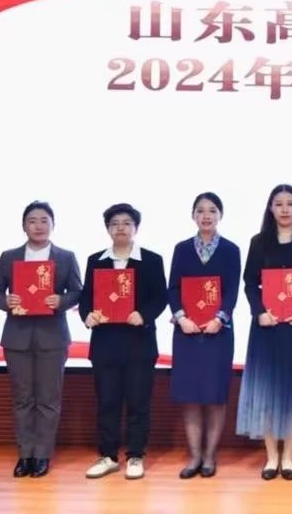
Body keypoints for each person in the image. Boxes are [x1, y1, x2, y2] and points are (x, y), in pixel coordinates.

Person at [0, 201, 83, 479]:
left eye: (44, 220)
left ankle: (42, 455)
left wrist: (60, 300)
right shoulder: (9, 257)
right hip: (17, 338)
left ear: (53, 225)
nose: (38, 226)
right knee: (23, 399)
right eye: (32, 220)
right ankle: (25, 454)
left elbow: (78, 291)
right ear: (24, 226)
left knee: (48, 399)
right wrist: (6, 301)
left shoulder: (66, 257)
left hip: (53, 337)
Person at [236, 184, 292, 480]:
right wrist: (259, 312)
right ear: (270, 208)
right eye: (279, 204)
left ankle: (288, 457)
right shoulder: (259, 242)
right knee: (267, 389)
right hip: (267, 326)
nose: (285, 209)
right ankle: (271, 456)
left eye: (290, 203)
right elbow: (250, 283)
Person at [78, 203, 168, 480]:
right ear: (108, 228)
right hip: (105, 343)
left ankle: (136, 455)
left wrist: (144, 314)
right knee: (107, 402)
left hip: (139, 342)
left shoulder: (151, 260)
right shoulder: (96, 260)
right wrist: (87, 315)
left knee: (138, 402)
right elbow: (86, 297)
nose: (121, 228)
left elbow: (161, 297)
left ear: (135, 228)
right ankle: (107, 456)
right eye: (115, 223)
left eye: (127, 223)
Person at [167, 191, 241, 479]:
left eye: (212, 210)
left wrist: (219, 319)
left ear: (220, 215)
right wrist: (181, 318)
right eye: (200, 210)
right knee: (191, 396)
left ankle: (210, 455)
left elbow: (232, 291)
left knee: (215, 395)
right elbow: (173, 288)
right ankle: (194, 455)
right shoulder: (182, 249)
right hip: (186, 332)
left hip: (217, 333)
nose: (206, 215)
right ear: (193, 216)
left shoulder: (231, 250)